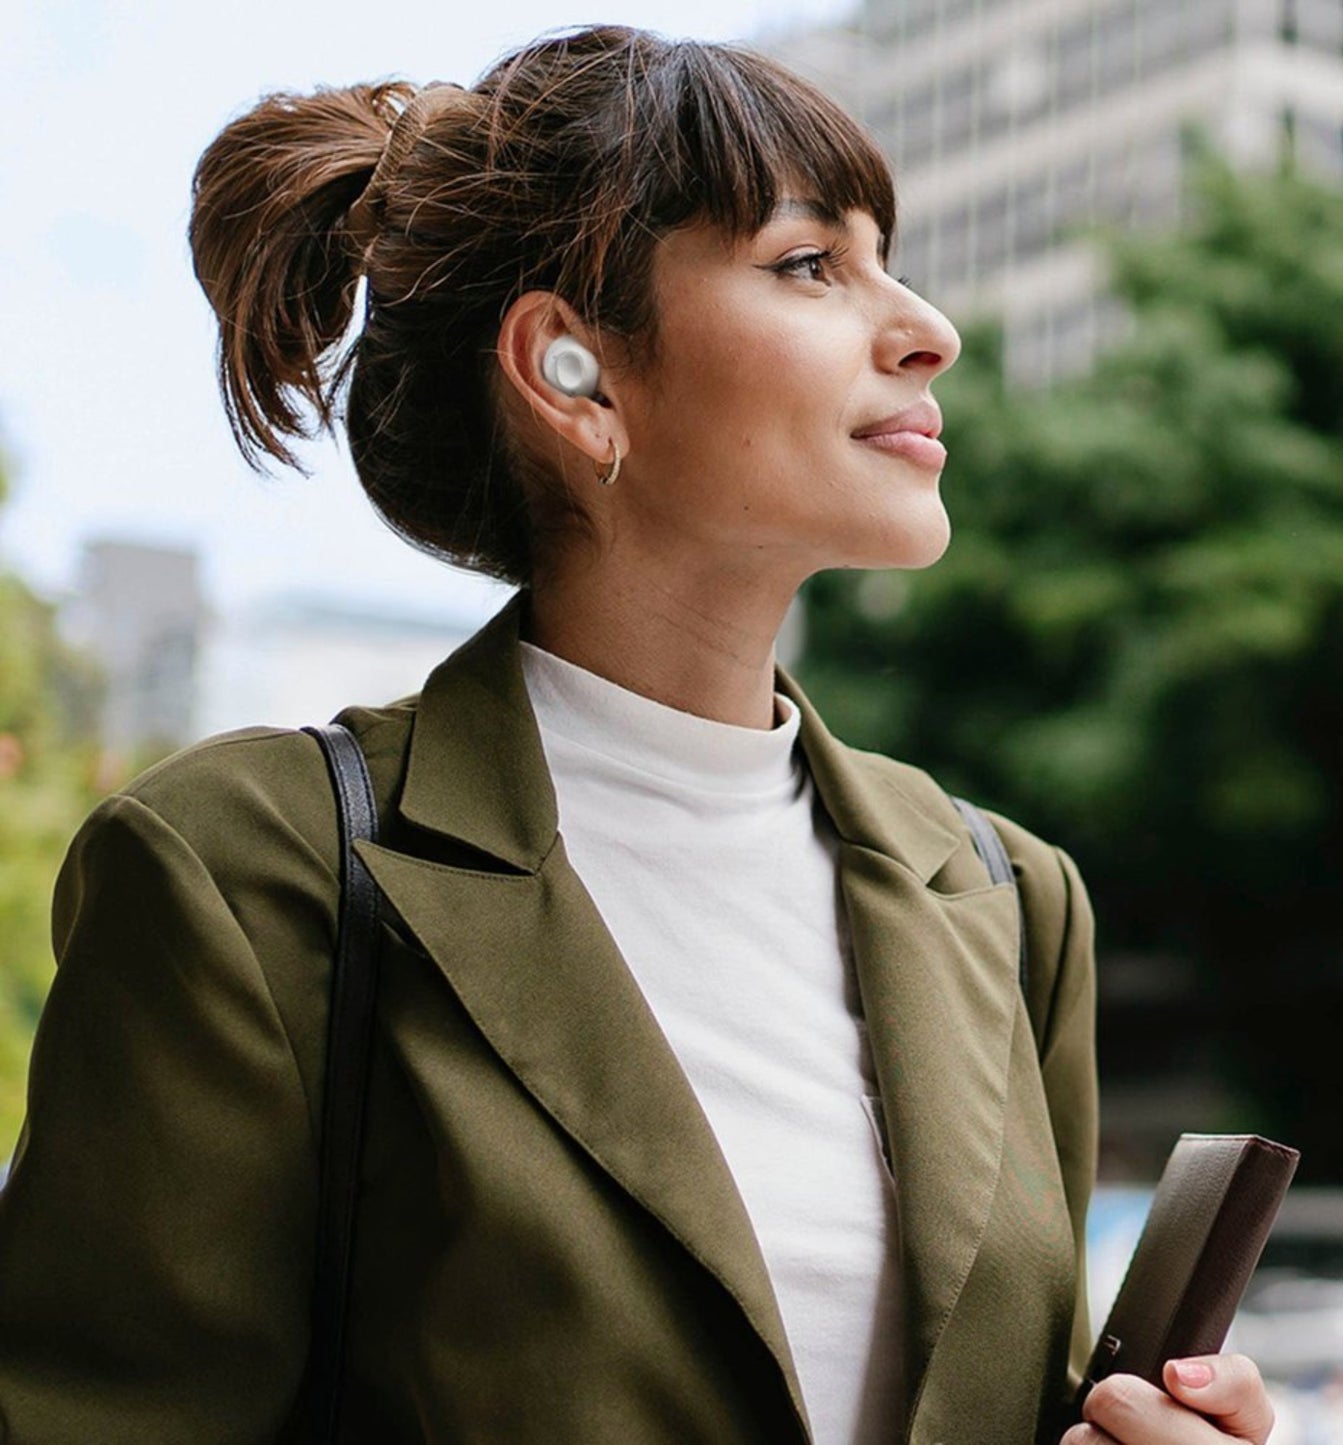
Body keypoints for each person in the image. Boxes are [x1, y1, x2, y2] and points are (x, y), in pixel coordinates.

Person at [0, 24, 1274, 1445]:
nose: (928, 327)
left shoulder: (1006, 893)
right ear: (570, 370)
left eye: (884, 254)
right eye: (809, 264)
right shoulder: (249, 873)